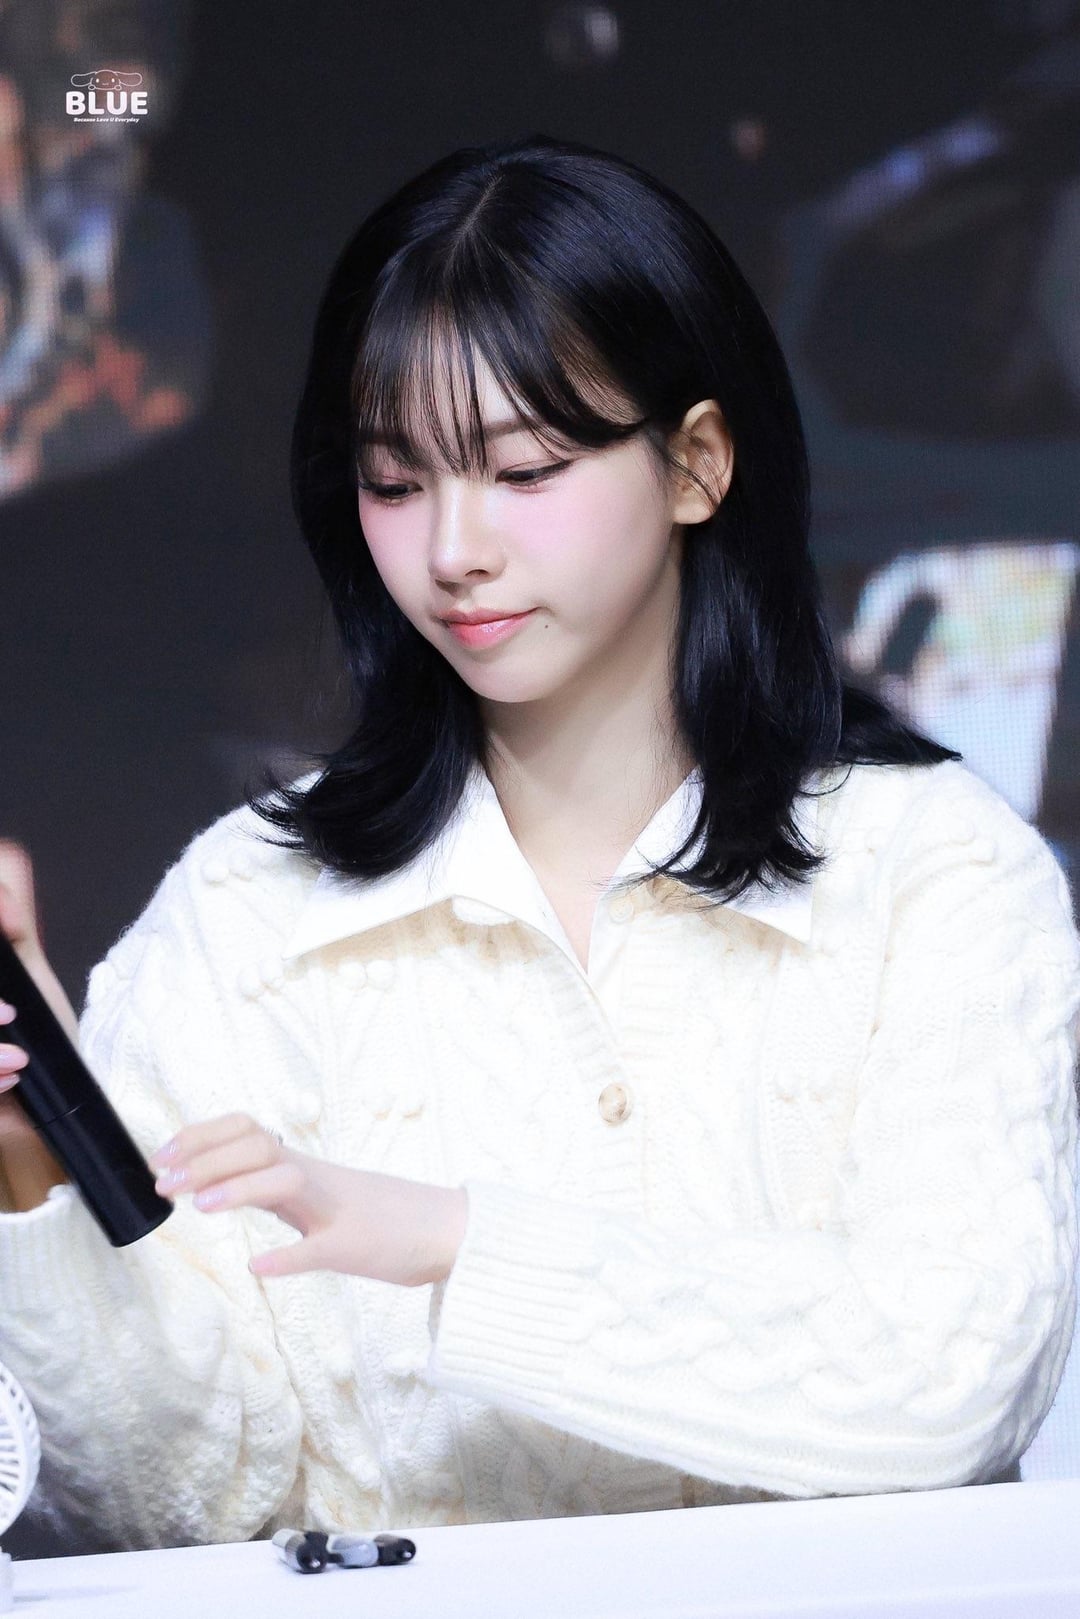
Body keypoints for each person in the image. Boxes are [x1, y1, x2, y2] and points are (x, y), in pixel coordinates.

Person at [0, 132, 1078, 1554]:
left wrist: (458, 1243)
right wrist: (30, 1152)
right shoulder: (246, 905)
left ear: (697, 463)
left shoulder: (935, 870)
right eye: (396, 483)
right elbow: (180, 1503)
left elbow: (948, 1383)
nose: (453, 549)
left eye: (523, 468)